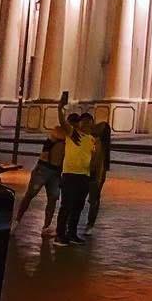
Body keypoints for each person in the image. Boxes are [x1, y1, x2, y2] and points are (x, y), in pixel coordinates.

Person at [50, 100, 98, 246]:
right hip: (70, 175)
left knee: (78, 207)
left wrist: (93, 176)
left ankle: (72, 234)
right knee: (66, 206)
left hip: (84, 177)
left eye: (89, 123)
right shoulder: (73, 134)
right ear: (79, 124)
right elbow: (63, 123)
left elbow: (93, 158)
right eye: (84, 123)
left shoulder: (91, 140)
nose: (86, 125)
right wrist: (59, 108)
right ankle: (59, 235)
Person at [15, 131, 65, 235]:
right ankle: (16, 221)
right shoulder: (60, 134)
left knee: (52, 198)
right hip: (45, 168)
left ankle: (46, 227)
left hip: (54, 171)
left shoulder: (68, 137)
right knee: (31, 195)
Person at [82, 118, 112, 232]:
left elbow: (96, 163)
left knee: (92, 200)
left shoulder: (97, 143)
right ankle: (89, 224)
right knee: (93, 200)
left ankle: (89, 224)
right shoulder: (101, 144)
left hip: (92, 175)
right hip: (93, 175)